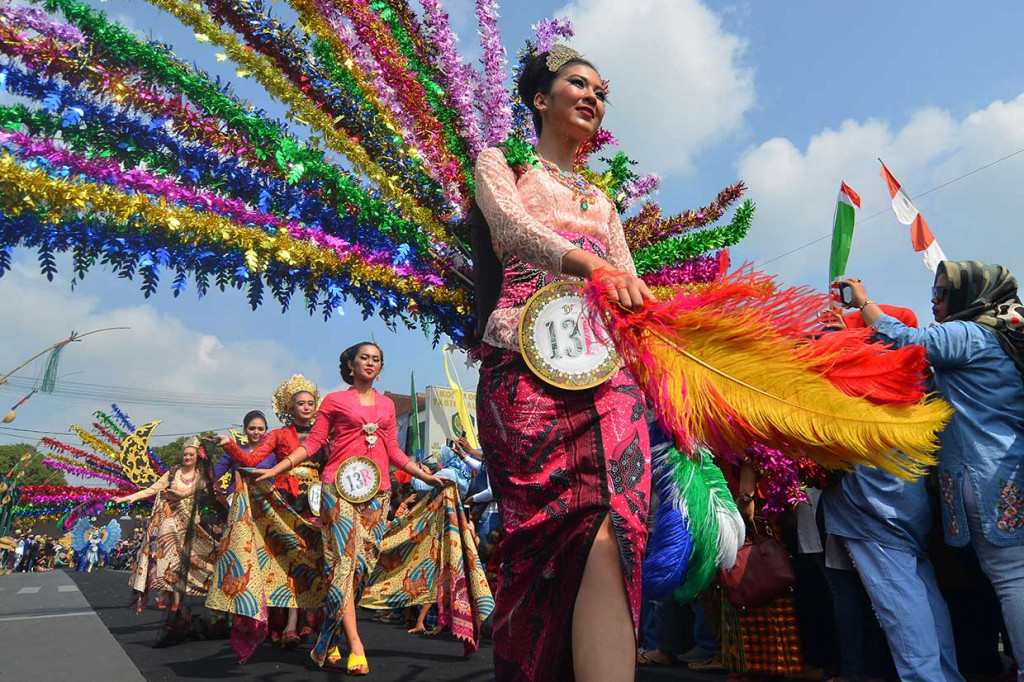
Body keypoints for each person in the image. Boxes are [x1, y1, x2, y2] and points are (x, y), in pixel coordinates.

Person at [473, 45, 655, 682]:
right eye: (578, 84)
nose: (592, 97)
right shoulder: (502, 164)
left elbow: (627, 281)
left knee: (617, 524)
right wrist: (591, 265)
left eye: (601, 92)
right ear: (539, 99)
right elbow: (512, 230)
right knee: (540, 537)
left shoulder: (602, 199)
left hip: (608, 377)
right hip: (522, 367)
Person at [842, 262, 1024, 682]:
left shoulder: (970, 335)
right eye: (934, 291)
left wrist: (864, 303)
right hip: (996, 469)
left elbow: (909, 341)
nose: (934, 300)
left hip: (986, 474)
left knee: (1010, 576)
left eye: (943, 292)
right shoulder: (995, 335)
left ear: (970, 295)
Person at [252, 342, 446, 675]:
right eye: (364, 358)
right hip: (337, 490)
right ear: (351, 365)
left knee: (361, 568)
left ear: (380, 367)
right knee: (342, 564)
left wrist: (423, 475)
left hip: (377, 492)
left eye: (376, 359)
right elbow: (314, 443)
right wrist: (276, 469)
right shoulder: (334, 401)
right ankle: (357, 645)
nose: (370, 363)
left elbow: (394, 452)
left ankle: (329, 638)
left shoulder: (387, 405)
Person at [211, 381, 323, 650]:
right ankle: (289, 624)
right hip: (285, 504)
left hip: (318, 504)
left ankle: (317, 625)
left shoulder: (324, 435)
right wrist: (229, 445)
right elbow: (251, 460)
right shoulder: (279, 435)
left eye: (310, 403)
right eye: (300, 403)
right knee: (286, 562)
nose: (306, 407)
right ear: (289, 408)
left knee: (315, 562)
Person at [116, 438, 222, 613]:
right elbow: (152, 489)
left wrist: (180, 494)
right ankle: (173, 598)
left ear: (198, 456)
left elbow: (192, 493)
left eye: (191, 454)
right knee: (172, 560)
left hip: (190, 525)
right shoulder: (173, 473)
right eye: (185, 454)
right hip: (170, 525)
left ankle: (171, 596)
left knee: (189, 561)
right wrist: (129, 497)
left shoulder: (202, 477)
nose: (187, 457)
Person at [210, 410, 272, 495]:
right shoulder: (232, 451)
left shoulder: (272, 455)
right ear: (245, 429)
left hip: (264, 499)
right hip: (237, 498)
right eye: (252, 428)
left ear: (265, 431)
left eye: (260, 429)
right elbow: (213, 475)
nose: (256, 432)